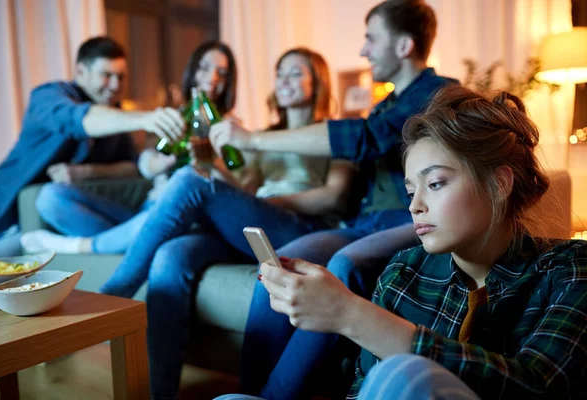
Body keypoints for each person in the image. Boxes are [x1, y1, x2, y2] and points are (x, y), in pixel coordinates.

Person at [217, 85, 587, 400]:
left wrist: (350, 314)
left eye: (436, 183)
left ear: (499, 184)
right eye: (410, 190)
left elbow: (540, 387)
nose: (415, 204)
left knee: (410, 375)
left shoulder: (569, 270)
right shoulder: (402, 273)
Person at [100, 47, 357, 400]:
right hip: (255, 225)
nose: (284, 79)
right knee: (171, 254)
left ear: (319, 81)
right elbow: (245, 189)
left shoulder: (334, 134)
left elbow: (334, 197)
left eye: (296, 73)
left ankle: (112, 296)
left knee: (189, 184)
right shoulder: (264, 135)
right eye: (280, 72)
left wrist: (262, 204)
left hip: (301, 227)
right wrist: (215, 170)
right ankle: (161, 394)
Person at [232, 1, 458, 398]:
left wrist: (251, 139)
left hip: (406, 219)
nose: (363, 50)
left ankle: (273, 395)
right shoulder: (384, 104)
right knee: (279, 262)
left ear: (404, 46)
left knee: (345, 264)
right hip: (361, 222)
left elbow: (367, 139)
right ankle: (248, 393)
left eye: (371, 38)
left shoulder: (442, 94)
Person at [20, 41, 238, 254]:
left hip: (178, 214)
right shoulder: (169, 117)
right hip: (147, 208)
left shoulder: (233, 128)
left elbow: (244, 189)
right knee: (50, 197)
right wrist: (162, 163)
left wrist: (213, 163)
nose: (212, 77)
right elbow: (143, 165)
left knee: (163, 219)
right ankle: (125, 244)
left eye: (222, 72)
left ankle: (80, 246)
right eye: (204, 67)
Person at [0, 36, 184, 258]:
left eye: (121, 77)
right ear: (81, 72)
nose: (116, 85)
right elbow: (81, 120)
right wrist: (144, 119)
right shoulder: (48, 96)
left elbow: (133, 166)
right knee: (49, 198)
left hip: (49, 224)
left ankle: (128, 244)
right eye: (106, 75)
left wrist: (85, 172)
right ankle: (131, 245)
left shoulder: (113, 116)